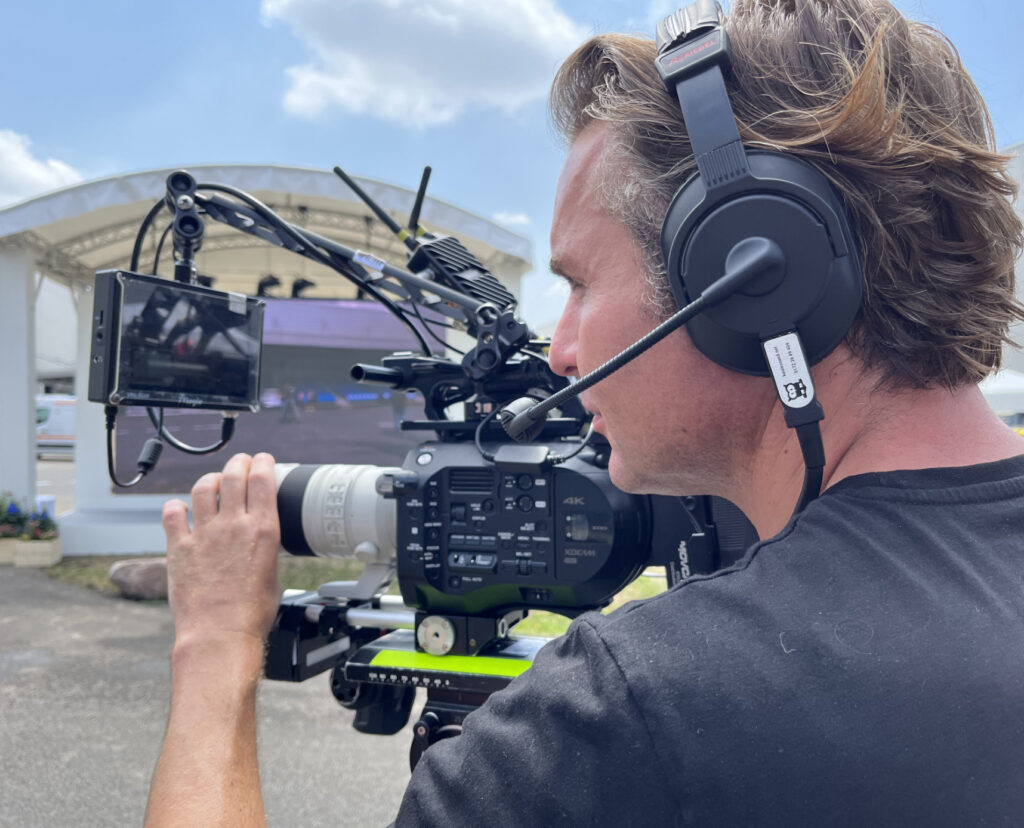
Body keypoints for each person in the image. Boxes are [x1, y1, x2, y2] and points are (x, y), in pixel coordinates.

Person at [145, 0, 1024, 824]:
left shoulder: (641, 708)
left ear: (752, 275)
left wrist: (218, 641)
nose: (561, 350)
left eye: (578, 285)